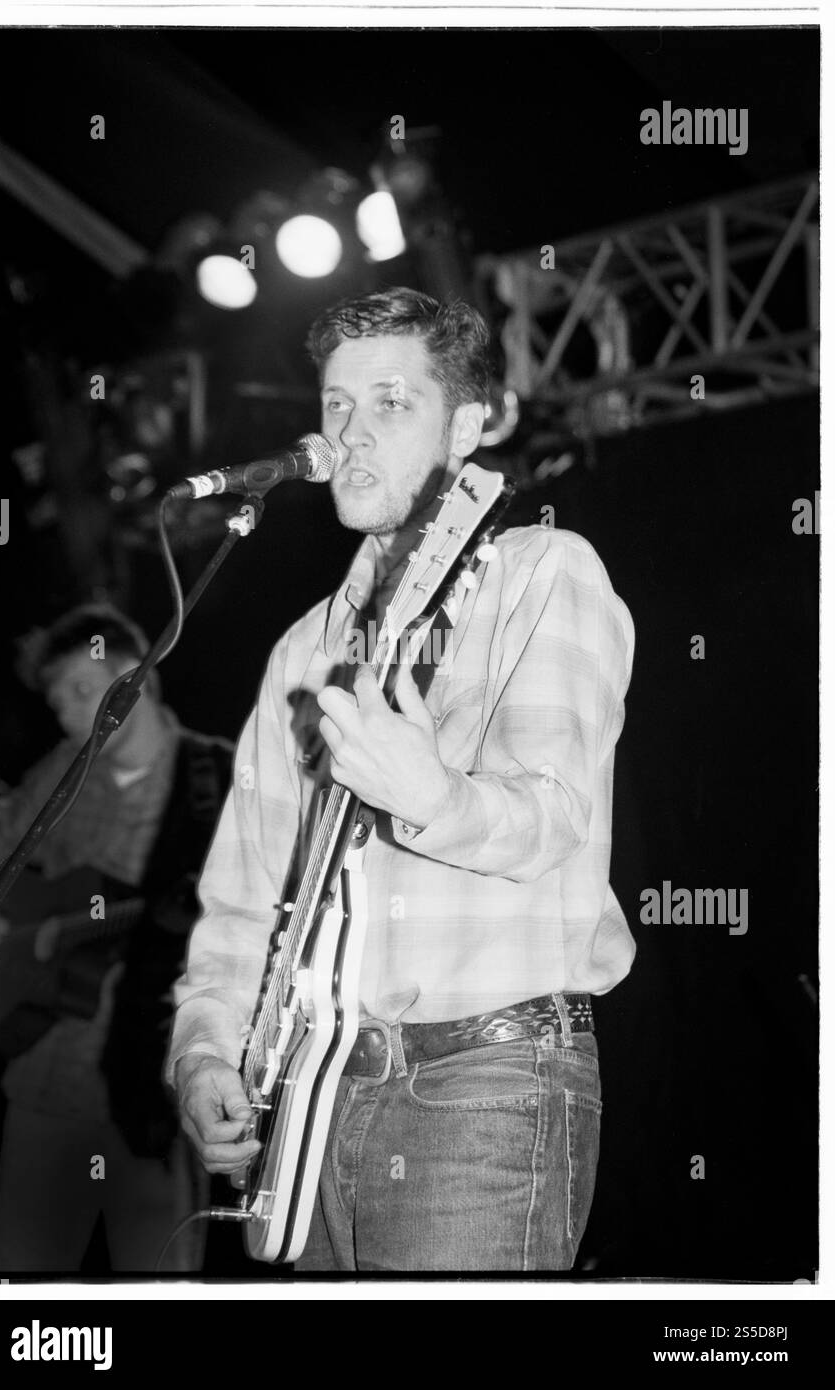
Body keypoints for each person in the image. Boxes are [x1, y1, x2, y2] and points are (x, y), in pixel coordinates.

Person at [167, 287, 636, 1273]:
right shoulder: (303, 648)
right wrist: (205, 1050)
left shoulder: (542, 572)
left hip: (482, 1080)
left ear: (468, 425)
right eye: (337, 404)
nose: (350, 429)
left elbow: (551, 818)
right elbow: (240, 900)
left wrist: (430, 796)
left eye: (391, 401)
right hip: (313, 1098)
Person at [0, 605, 232, 1273]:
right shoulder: (63, 768)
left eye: (83, 692)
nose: (68, 716)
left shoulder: (218, 782)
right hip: (42, 1084)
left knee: (155, 1278)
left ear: (138, 679)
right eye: (58, 703)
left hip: (151, 1096)